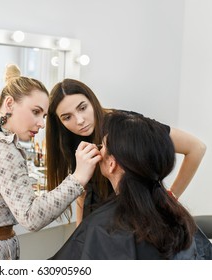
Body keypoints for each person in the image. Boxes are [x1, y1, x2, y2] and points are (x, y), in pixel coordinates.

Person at [0, 65, 98, 260]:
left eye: (44, 116)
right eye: (36, 112)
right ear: (10, 103)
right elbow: (31, 217)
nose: (41, 123)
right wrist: (78, 178)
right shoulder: (1, 147)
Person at [50, 111, 211, 259]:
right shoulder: (178, 217)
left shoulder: (101, 228)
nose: (99, 148)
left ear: (112, 163)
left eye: (103, 145)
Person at [46, 79, 207, 226]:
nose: (79, 120)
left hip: (131, 221)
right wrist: (80, 234)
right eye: (67, 117)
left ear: (92, 101)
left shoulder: (125, 125)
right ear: (59, 121)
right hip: (96, 220)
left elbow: (196, 148)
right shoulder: (70, 138)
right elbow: (83, 189)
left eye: (82, 108)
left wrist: (172, 196)